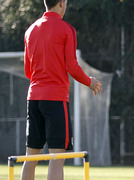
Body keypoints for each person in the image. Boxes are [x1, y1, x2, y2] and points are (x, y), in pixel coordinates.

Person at [21, 0, 102, 180]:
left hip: (33, 98)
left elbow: (28, 71)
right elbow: (72, 67)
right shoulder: (66, 29)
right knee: (57, 158)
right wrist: (89, 82)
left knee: (30, 157)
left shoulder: (30, 30)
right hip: (55, 100)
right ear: (61, 3)